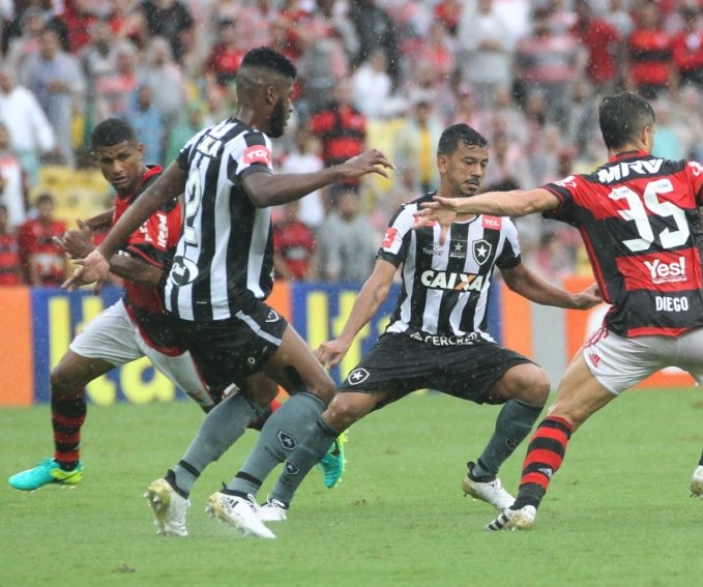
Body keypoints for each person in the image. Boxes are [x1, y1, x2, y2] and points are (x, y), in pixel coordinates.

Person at [415, 93, 703, 530]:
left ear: (606, 138)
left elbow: (525, 201)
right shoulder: (683, 173)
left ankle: (525, 506)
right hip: (699, 323)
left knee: (562, 415)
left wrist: (463, 204)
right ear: (648, 133)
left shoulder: (586, 186)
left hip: (633, 334)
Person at [205, 123, 601, 537]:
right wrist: (345, 338)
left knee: (535, 383)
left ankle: (483, 475)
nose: (477, 172)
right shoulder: (414, 216)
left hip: (468, 347)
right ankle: (278, 499)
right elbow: (379, 284)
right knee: (340, 409)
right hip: (407, 343)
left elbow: (519, 279)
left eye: (483, 164)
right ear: (443, 163)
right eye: (469, 162)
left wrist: (570, 300)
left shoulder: (498, 223)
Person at [66, 47, 392, 538]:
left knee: (259, 390)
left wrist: (100, 251)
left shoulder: (204, 137)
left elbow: (152, 196)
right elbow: (259, 190)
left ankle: (177, 486)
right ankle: (240, 492)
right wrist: (336, 171)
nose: (290, 107)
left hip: (183, 298)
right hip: (225, 300)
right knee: (321, 390)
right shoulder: (250, 143)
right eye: (287, 98)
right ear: (269, 94)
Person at [8, 118, 217, 497]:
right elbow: (126, 214)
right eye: (107, 161)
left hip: (172, 328)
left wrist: (95, 255)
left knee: (233, 414)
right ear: (96, 161)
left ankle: (317, 436)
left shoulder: (156, 192)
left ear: (139, 151)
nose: (116, 169)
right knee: (64, 378)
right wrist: (95, 223)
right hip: (133, 314)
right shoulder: (138, 187)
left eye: (123, 158)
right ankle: (66, 465)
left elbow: (150, 271)